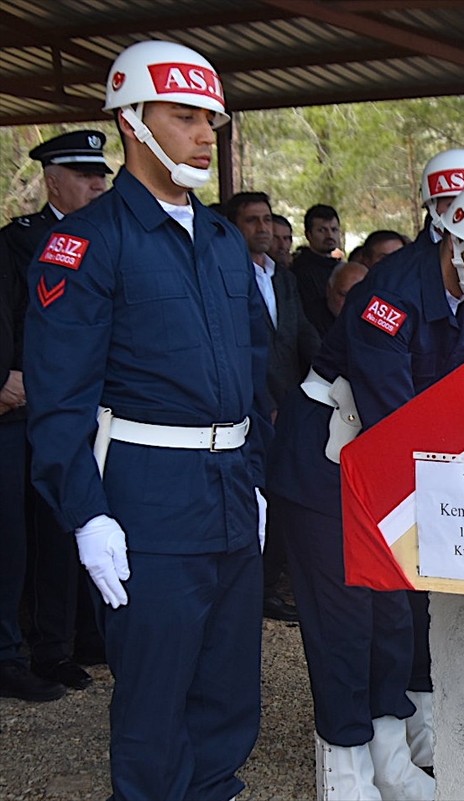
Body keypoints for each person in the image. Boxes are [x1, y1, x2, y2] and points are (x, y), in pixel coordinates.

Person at [24, 40, 272, 800]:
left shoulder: (224, 241)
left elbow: (255, 373)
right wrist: (85, 513)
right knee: (155, 701)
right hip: (148, 503)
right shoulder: (87, 243)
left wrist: (256, 479)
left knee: (228, 694)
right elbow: (60, 399)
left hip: (230, 494)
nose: (204, 135)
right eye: (184, 117)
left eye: (210, 121)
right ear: (133, 121)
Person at [267, 179, 464, 800]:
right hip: (330, 465)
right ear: (456, 243)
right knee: (344, 622)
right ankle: (344, 769)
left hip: (393, 466)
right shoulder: (390, 294)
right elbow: (392, 413)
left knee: (392, 616)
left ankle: (389, 759)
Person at [1, 130, 112, 701]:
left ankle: (62, 644)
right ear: (52, 182)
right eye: (84, 176)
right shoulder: (19, 240)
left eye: (101, 176)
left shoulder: (109, 238)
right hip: (18, 410)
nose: (97, 185)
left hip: (81, 409)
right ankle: (9, 654)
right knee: (13, 539)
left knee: (66, 527)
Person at [226, 191, 321, 624]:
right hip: (251, 407)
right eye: (252, 220)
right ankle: (252, 586)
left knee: (283, 497)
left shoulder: (282, 277)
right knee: (257, 496)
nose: (263, 228)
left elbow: (301, 335)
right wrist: (263, 405)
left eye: (266, 219)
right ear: (233, 227)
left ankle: (268, 585)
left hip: (289, 403)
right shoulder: (226, 273)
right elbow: (240, 350)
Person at [293, 204, 342, 333]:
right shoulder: (300, 270)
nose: (329, 235)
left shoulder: (341, 268)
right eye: (322, 230)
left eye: (334, 229)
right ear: (308, 234)